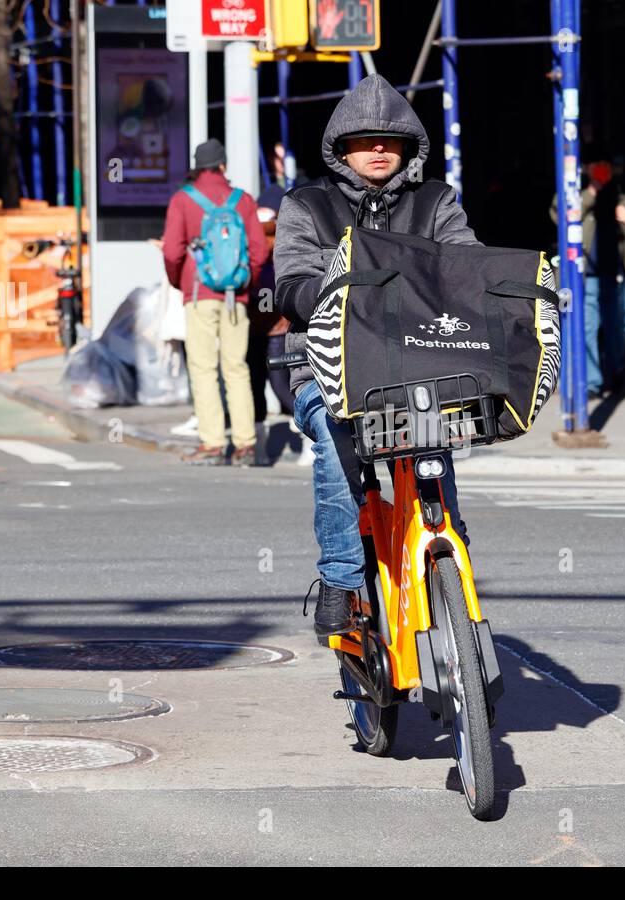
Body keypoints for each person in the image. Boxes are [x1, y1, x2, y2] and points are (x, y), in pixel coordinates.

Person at [274, 74, 478, 641]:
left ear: (411, 146)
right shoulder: (305, 206)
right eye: (365, 139)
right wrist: (333, 287)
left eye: (391, 139)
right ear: (340, 148)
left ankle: (448, 543)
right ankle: (340, 577)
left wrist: (497, 290)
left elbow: (466, 260)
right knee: (337, 440)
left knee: (436, 435)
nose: (380, 148)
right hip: (326, 366)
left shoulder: (436, 201)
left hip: (417, 364)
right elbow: (290, 282)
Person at [163, 138, 268, 466]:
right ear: (223, 166)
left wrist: (179, 280)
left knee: (204, 368)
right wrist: (243, 280)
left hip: (198, 294)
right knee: (237, 368)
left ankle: (212, 443)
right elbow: (260, 250)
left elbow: (171, 251)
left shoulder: (183, 199)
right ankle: (245, 445)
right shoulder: (243, 201)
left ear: (197, 167)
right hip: (235, 297)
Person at [549, 163, 625, 395]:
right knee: (588, 328)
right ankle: (593, 382)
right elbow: (559, 215)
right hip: (587, 277)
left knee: (620, 328)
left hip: (616, 276)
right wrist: (592, 191)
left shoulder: (624, 197)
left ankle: (616, 369)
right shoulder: (575, 194)